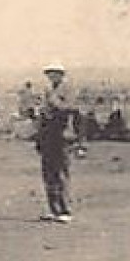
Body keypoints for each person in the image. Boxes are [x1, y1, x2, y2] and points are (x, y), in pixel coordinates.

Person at [35, 62, 80, 222]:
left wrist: (53, 101)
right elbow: (42, 115)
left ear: (61, 74)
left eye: (54, 73)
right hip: (48, 135)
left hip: (61, 135)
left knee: (61, 171)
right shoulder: (48, 91)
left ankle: (65, 210)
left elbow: (70, 109)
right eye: (49, 73)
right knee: (48, 173)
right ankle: (53, 209)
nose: (51, 76)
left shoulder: (68, 90)